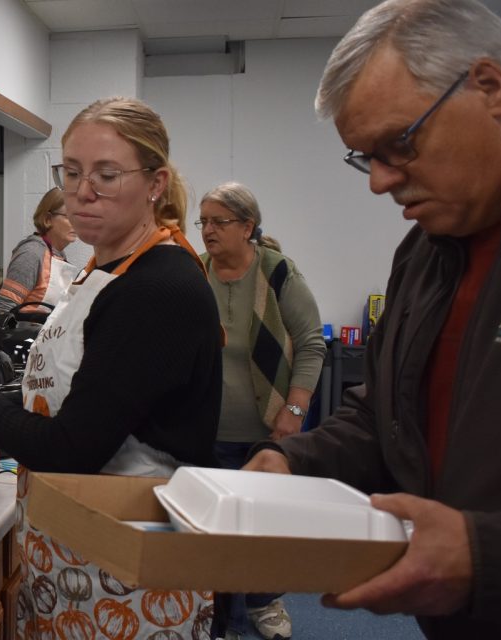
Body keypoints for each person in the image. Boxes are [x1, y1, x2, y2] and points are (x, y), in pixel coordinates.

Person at [241, 1, 501, 637]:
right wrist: (296, 461)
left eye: (399, 144)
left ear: (491, 89)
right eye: (364, 156)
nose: (378, 182)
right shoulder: (425, 252)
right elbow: (386, 414)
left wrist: (490, 556)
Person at [0, 97, 223, 639]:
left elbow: (75, 446)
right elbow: (88, 396)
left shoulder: (157, 288)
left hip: (129, 566)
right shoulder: (101, 270)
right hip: (77, 546)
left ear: (155, 183)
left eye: (107, 175)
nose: (83, 192)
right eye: (73, 172)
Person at [198, 182, 326, 640]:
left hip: (268, 427)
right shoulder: (196, 272)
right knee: (217, 528)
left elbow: (312, 345)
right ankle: (221, 616)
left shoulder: (277, 273)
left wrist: (295, 408)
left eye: (219, 222)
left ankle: (264, 601)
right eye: (204, 221)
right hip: (208, 429)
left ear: (247, 227)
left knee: (262, 524)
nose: (208, 231)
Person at [0, 187, 79, 319]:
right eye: (69, 216)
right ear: (48, 219)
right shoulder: (31, 254)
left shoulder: (59, 255)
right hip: (27, 337)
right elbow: (2, 312)